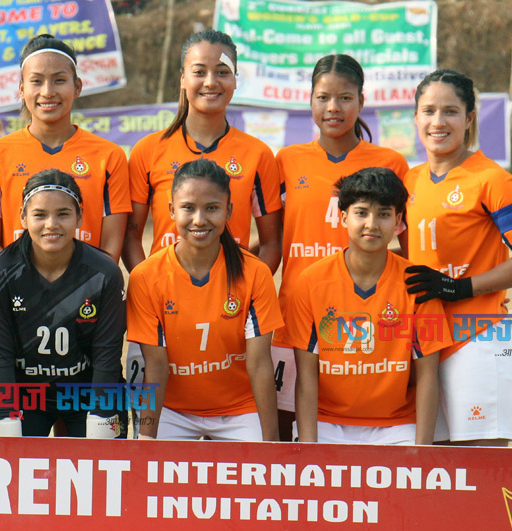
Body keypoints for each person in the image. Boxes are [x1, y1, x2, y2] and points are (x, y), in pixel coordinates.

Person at [122, 30, 282, 435]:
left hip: (230, 313)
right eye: (199, 71)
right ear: (182, 78)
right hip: (162, 310)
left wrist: (237, 296)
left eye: (222, 72)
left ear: (236, 80)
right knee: (152, 442)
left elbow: (272, 242)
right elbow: (131, 235)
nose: (211, 81)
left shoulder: (258, 154)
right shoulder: (148, 151)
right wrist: (154, 293)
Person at [402, 69, 512, 446]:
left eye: (450, 111)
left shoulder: (492, 179)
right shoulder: (409, 181)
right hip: (425, 340)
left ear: (469, 119)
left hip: (478, 336)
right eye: (428, 111)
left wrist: (461, 288)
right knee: (431, 464)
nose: (438, 121)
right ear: (415, 117)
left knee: (482, 462)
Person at [270, 54, 410, 441]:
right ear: (310, 101)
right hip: (295, 317)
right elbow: (275, 240)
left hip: (369, 318)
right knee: (286, 434)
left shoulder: (390, 163)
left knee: (364, 424)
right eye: (323, 97)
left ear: (362, 101)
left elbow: (408, 248)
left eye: (345, 98)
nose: (333, 107)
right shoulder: (286, 161)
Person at [287, 168, 451, 445]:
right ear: (343, 217)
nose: (372, 224)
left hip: (396, 426)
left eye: (383, 214)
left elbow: (427, 376)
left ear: (398, 220)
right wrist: (309, 448)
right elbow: (306, 377)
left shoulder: (418, 284)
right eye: (361, 213)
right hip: (327, 423)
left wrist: (422, 452)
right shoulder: (311, 282)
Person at [126, 159, 282, 441]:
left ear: (228, 211)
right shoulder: (146, 277)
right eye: (188, 208)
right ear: (172, 210)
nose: (199, 220)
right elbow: (156, 367)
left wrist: (270, 445)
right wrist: (146, 439)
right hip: (172, 410)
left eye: (212, 208)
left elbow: (259, 364)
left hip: (238, 410)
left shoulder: (255, 273)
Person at [0, 169, 125, 438]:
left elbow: (107, 356)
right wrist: (5, 418)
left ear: (79, 216)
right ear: (23, 217)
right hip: (25, 394)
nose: (51, 224)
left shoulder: (104, 272)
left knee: (100, 456)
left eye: (63, 214)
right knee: (12, 456)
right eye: (40, 215)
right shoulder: (0, 271)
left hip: (86, 391)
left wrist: (101, 420)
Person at [0, 34, 131, 265]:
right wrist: (17, 278)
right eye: (36, 81)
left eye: (59, 80)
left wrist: (85, 282)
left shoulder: (109, 156)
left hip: (86, 283)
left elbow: (111, 245)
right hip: (17, 283)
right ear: (22, 89)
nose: (47, 91)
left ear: (77, 87)